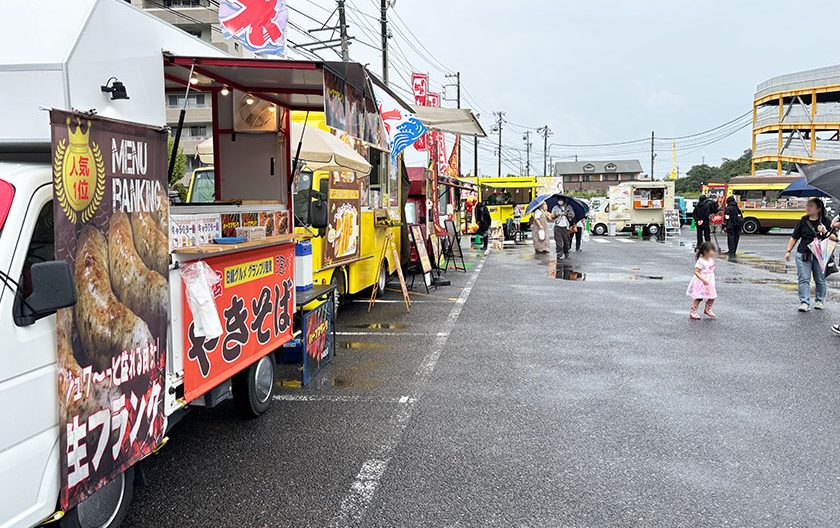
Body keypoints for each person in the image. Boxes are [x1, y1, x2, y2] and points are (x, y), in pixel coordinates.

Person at [785, 197, 836, 312]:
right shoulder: (803, 220)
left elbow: (835, 238)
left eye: (810, 205)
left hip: (820, 255)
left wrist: (824, 231)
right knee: (803, 279)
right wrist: (788, 251)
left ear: (818, 208)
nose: (807, 208)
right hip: (803, 253)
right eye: (807, 205)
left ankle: (819, 300)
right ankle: (804, 302)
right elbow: (794, 237)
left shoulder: (826, 221)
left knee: (820, 279)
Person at [686, 241, 718, 320]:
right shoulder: (701, 261)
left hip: (709, 281)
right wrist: (703, 279)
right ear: (705, 252)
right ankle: (693, 311)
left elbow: (711, 270)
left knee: (712, 296)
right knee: (699, 297)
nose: (713, 252)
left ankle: (707, 309)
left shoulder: (711, 259)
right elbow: (696, 271)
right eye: (712, 250)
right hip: (701, 281)